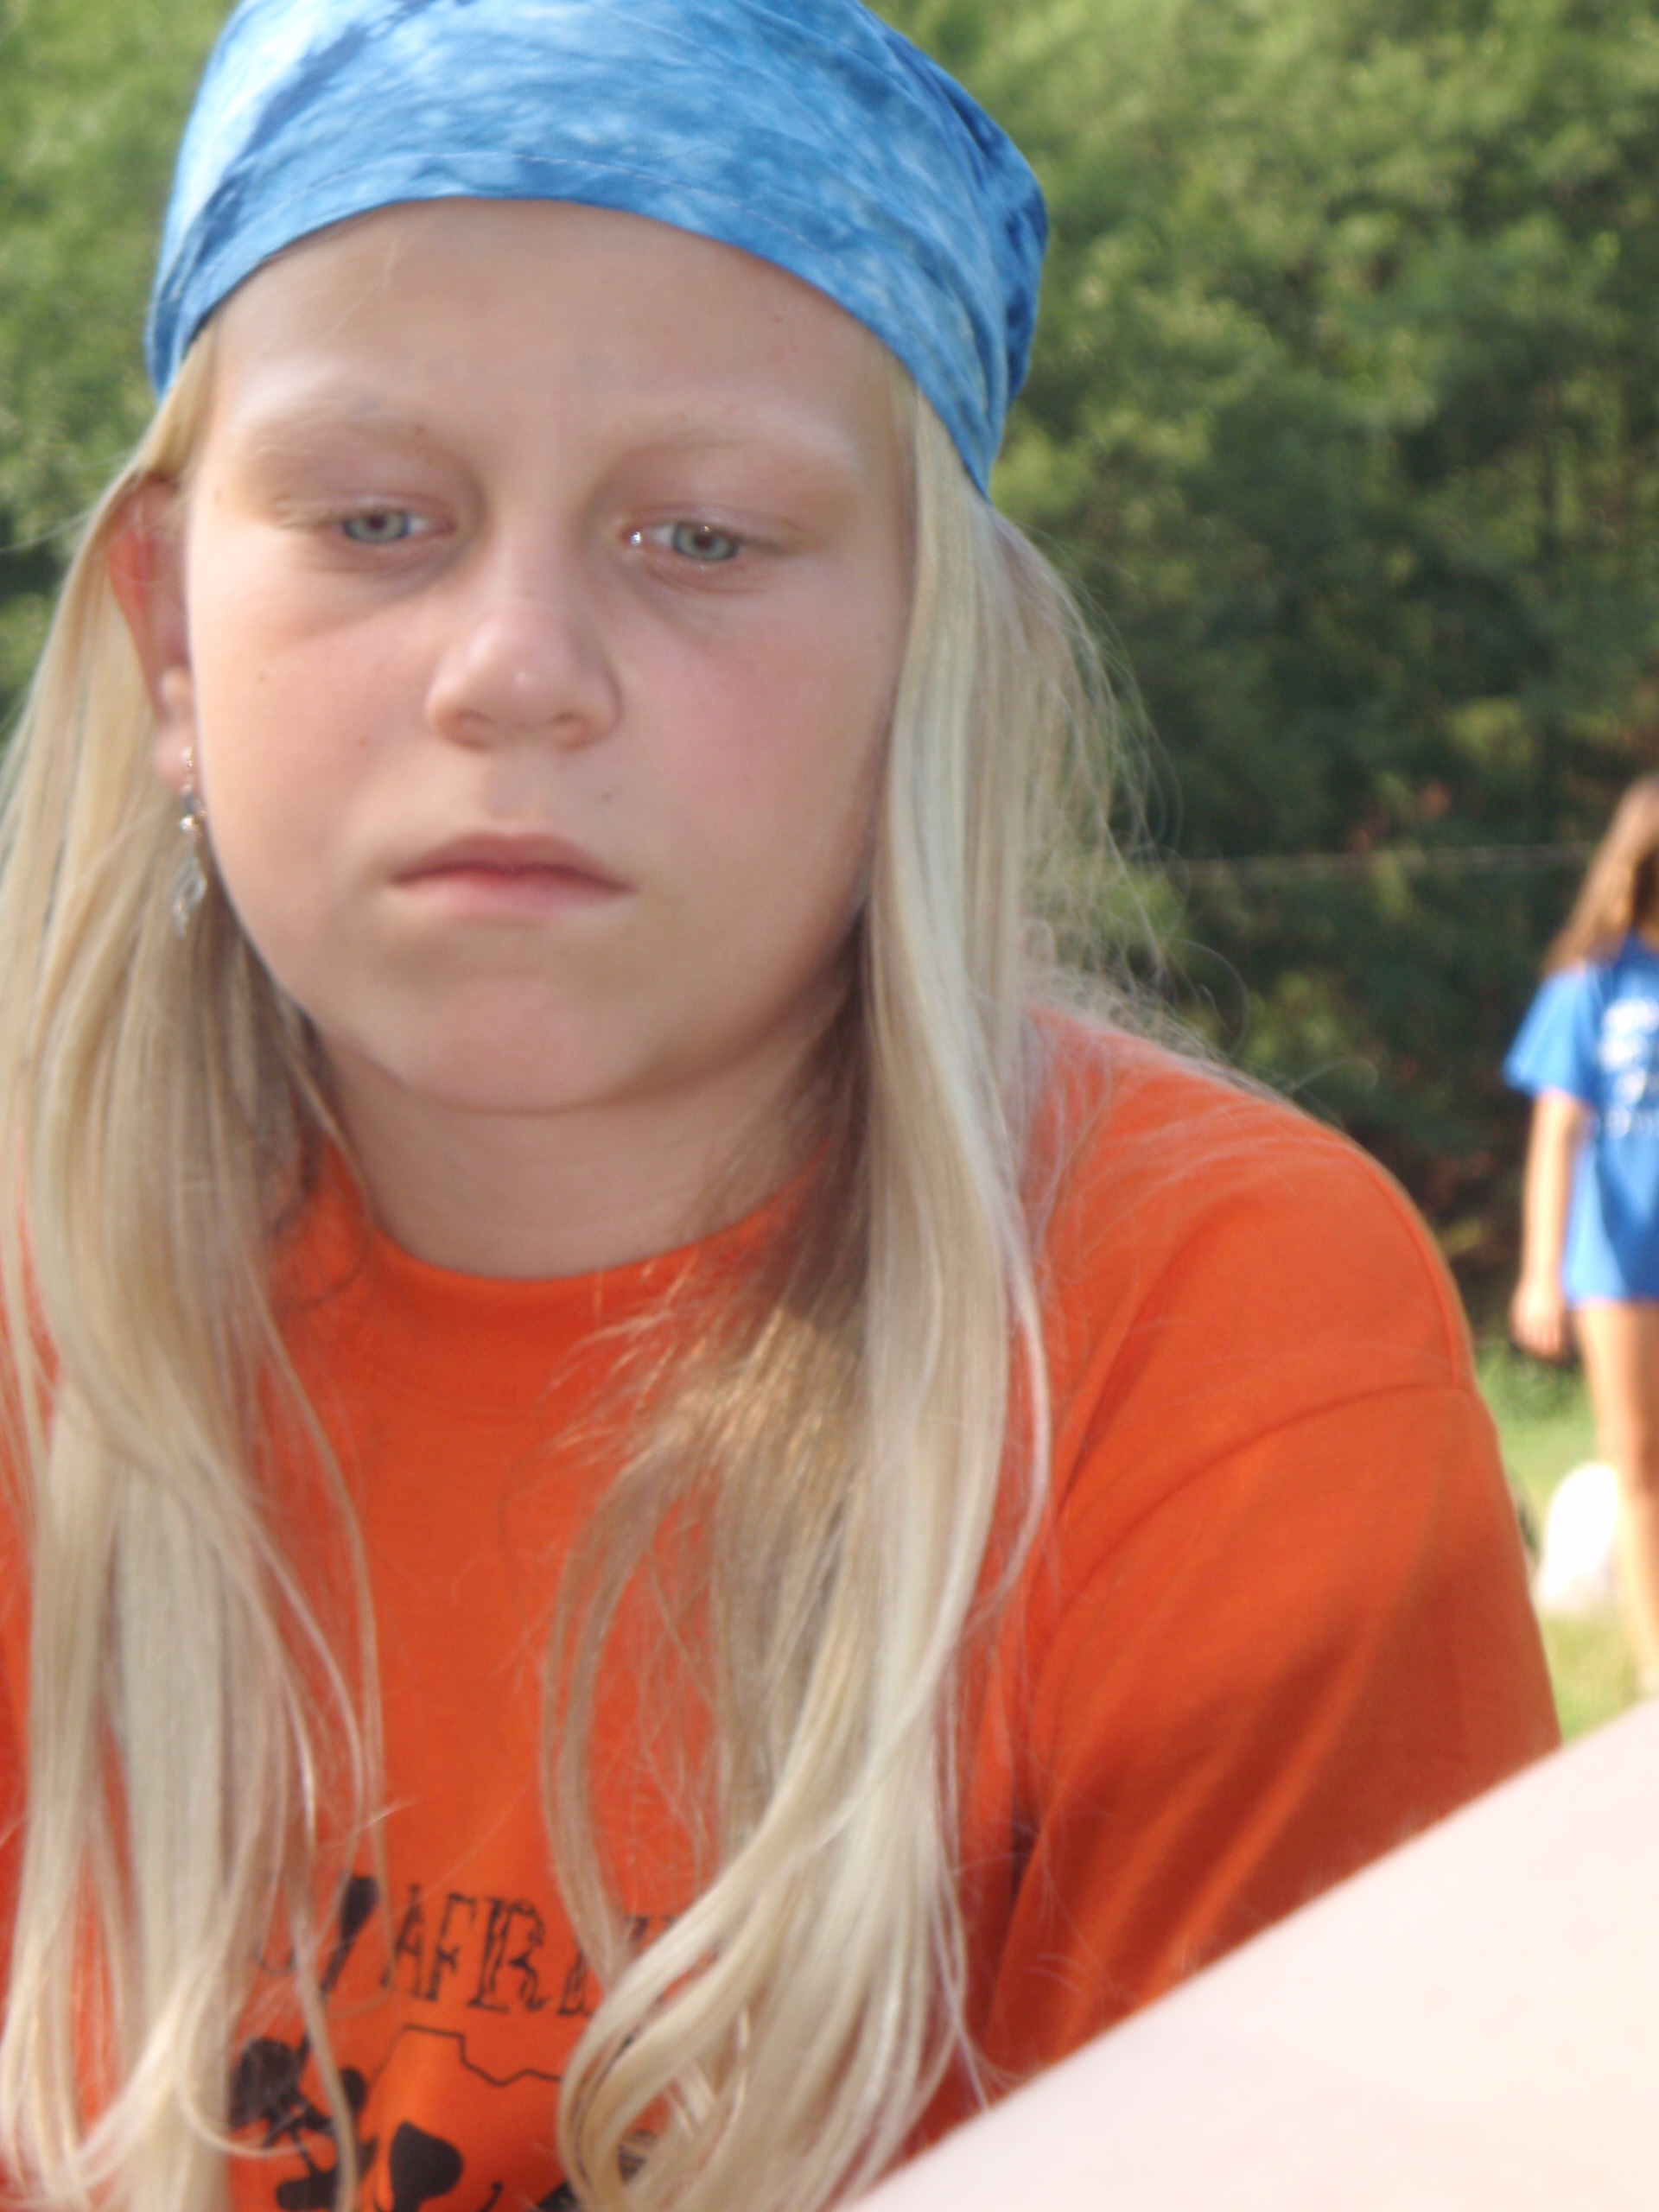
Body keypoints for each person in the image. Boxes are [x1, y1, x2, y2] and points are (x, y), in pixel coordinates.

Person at [0, 4, 1555, 2210]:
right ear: (170, 633)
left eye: (703, 537)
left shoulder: (1204, 1341)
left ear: (930, 653)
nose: (513, 667)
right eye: (378, 518)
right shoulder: (39, 1310)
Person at [1507, 775, 1659, 1693]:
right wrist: (1541, 1272)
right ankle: (1656, 1670)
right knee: (1636, 1457)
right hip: (1619, 1265)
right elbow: (1557, 1130)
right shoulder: (1592, 981)